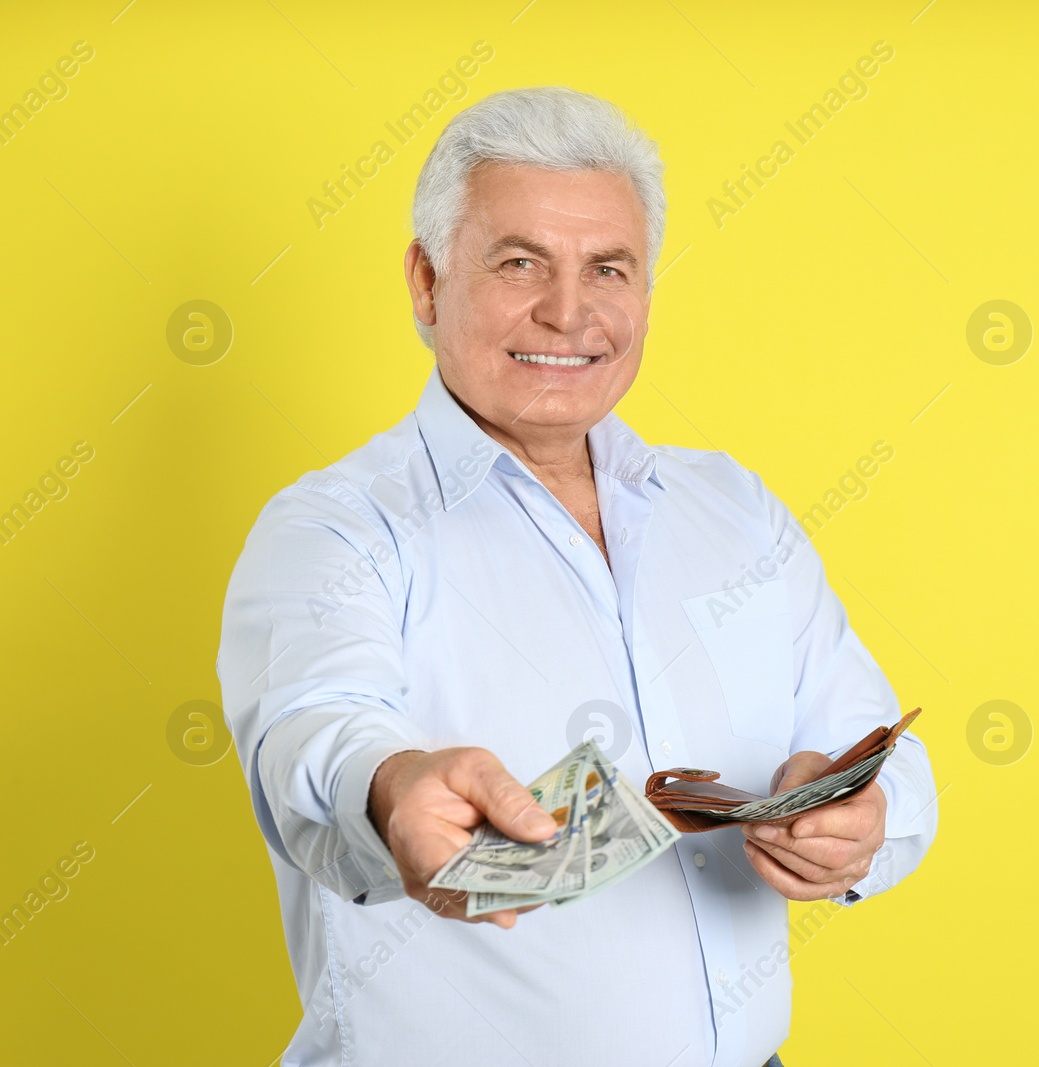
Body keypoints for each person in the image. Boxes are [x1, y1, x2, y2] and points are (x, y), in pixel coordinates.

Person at [216, 86, 937, 1067]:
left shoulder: (734, 507)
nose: (568, 311)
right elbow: (316, 729)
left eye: (609, 268)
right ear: (427, 283)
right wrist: (390, 785)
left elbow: (884, 755)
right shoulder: (335, 527)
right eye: (519, 262)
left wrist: (861, 815)